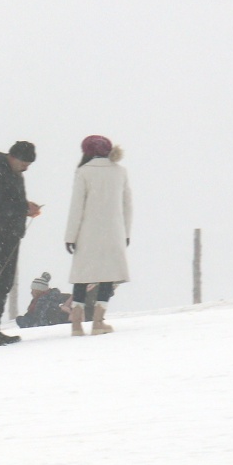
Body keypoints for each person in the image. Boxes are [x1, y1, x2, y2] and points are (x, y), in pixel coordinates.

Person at [63, 136, 133, 336]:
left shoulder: (83, 172)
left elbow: (76, 207)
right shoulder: (120, 172)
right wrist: (126, 233)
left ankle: (76, 324)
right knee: (107, 277)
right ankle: (98, 322)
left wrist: (70, 236)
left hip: (87, 232)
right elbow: (128, 205)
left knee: (82, 276)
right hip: (114, 232)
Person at [0, 140, 43, 347]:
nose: (26, 167)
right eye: (24, 163)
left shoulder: (15, 174)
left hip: (11, 235)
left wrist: (25, 208)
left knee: (4, 282)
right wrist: (24, 208)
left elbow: (12, 201)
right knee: (1, 281)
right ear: (13, 157)